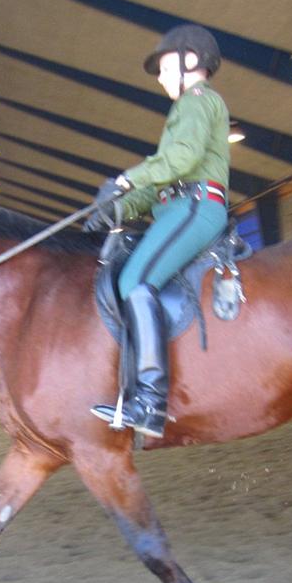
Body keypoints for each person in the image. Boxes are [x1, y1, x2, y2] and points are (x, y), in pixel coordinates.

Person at [85, 24, 231, 439]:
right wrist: (114, 207)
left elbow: (180, 161)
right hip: (175, 207)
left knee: (135, 280)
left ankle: (150, 399)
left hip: (197, 206)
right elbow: (158, 188)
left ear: (190, 63)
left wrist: (126, 179)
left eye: (166, 68)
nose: (162, 78)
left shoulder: (198, 101)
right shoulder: (184, 109)